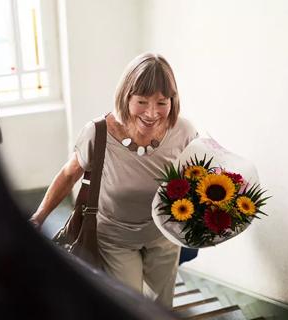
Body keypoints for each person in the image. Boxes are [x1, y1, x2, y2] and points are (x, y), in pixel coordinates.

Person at [30, 53, 198, 308]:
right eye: (142, 101)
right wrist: (39, 218)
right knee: (130, 306)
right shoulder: (98, 133)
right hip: (116, 239)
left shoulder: (183, 131)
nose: (152, 113)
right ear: (126, 97)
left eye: (162, 103)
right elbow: (69, 174)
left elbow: (197, 177)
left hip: (163, 235)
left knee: (162, 307)